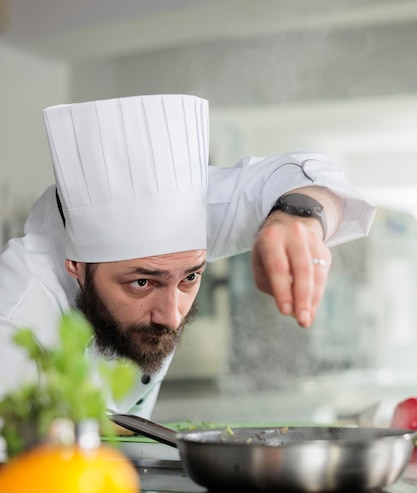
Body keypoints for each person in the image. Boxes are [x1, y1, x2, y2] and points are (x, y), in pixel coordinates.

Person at [0, 93, 375, 419]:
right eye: (142, 283)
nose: (172, 315)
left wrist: (299, 217)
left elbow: (312, 177)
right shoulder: (15, 322)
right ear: (76, 265)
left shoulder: (182, 215)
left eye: (190, 278)